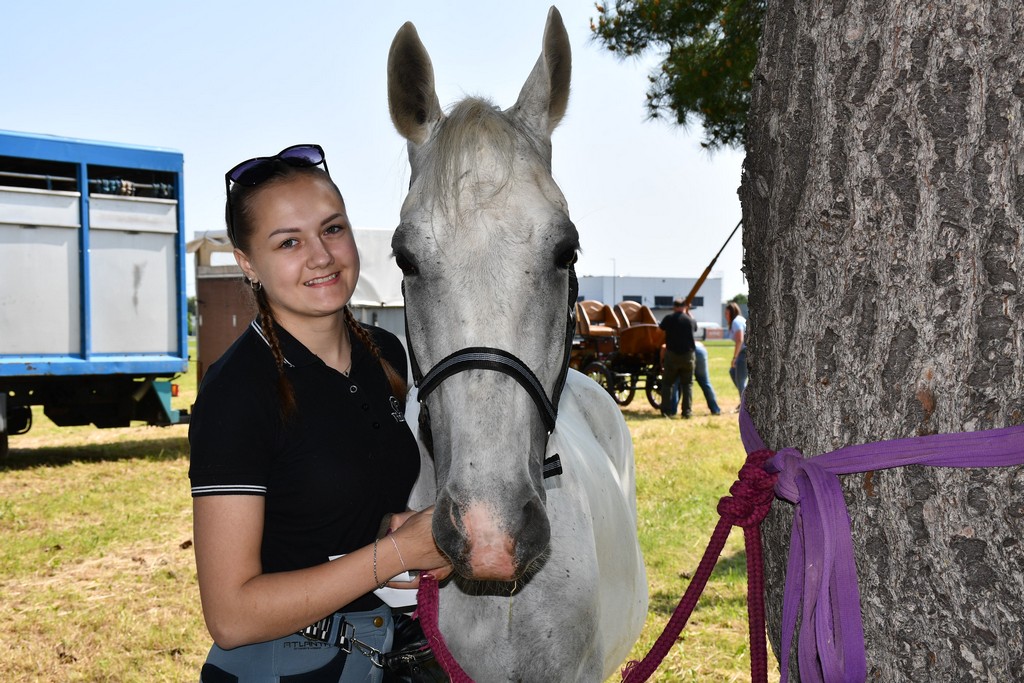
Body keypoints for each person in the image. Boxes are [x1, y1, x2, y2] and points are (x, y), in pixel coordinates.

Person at [188, 144, 451, 683]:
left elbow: (337, 505)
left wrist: (390, 529)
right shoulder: (237, 392)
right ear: (247, 263)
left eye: (332, 229)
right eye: (288, 241)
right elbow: (231, 617)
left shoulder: (385, 354)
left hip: (389, 656)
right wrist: (397, 552)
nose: (321, 256)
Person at [658, 298, 698, 418]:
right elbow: (695, 327)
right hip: (688, 356)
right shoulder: (690, 320)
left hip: (672, 356)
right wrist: (688, 312)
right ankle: (686, 412)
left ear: (674, 307)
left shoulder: (669, 319)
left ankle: (666, 411)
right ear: (685, 307)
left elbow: (660, 329)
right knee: (687, 385)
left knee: (667, 384)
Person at [725, 300, 748, 398]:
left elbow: (739, 340)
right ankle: (745, 400)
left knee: (740, 381)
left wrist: (735, 357)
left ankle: (745, 404)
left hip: (744, 352)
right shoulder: (739, 320)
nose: (725, 316)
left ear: (732, 312)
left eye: (726, 313)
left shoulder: (736, 321)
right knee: (733, 372)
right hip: (744, 352)